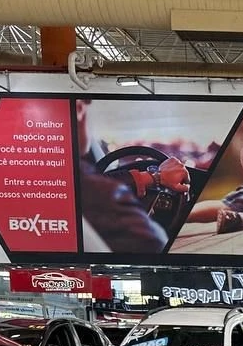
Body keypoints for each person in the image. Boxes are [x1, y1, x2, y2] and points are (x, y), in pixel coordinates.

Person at [74, 99, 173, 255]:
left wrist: (150, 177)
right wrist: (157, 177)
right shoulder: (100, 194)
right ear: (79, 108)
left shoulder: (56, 182)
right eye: (88, 103)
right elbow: (156, 245)